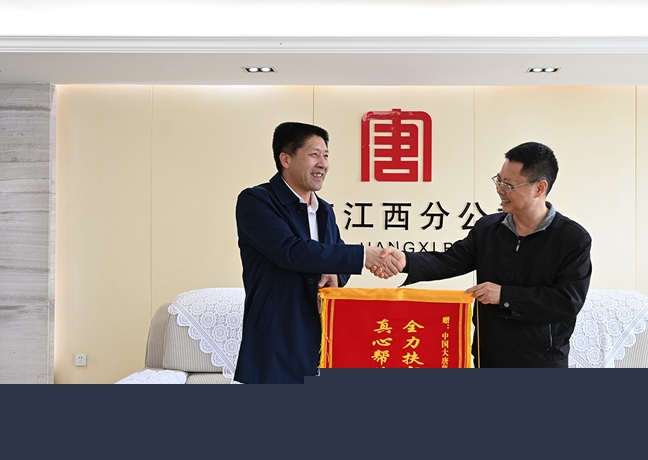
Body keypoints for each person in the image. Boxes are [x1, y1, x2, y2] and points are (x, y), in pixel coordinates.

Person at [376, 142, 592, 367]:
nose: (500, 190)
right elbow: (450, 260)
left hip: (541, 361)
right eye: (498, 180)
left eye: (508, 185)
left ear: (539, 188)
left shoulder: (572, 239)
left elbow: (567, 302)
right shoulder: (488, 228)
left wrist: (505, 296)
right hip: (487, 356)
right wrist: (407, 260)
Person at [234, 122, 399, 383]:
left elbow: (335, 255)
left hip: (323, 339)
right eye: (314, 154)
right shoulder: (257, 201)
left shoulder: (325, 210)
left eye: (326, 155)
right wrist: (363, 255)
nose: (322, 163)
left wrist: (336, 275)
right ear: (286, 159)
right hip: (276, 340)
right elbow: (290, 251)